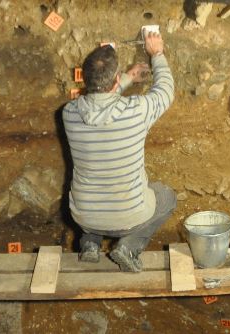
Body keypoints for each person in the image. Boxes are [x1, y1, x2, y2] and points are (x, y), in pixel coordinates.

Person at [62, 32, 176, 272]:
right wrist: (156, 53)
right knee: (166, 197)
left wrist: (127, 78)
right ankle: (129, 246)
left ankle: (90, 242)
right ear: (115, 80)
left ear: (85, 79)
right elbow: (165, 91)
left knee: (93, 191)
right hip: (129, 220)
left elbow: (99, 99)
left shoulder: (69, 113)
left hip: (84, 217)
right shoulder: (136, 111)